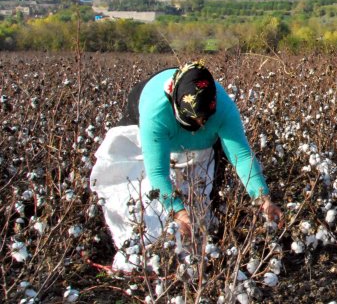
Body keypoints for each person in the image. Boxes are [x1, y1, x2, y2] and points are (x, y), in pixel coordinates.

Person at [92, 61, 282, 262]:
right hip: (147, 118)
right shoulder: (155, 114)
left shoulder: (224, 110)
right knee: (137, 187)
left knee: (203, 199)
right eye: (194, 120)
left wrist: (263, 198)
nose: (200, 125)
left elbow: (241, 157)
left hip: (196, 133)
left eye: (205, 120)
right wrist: (178, 212)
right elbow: (157, 173)